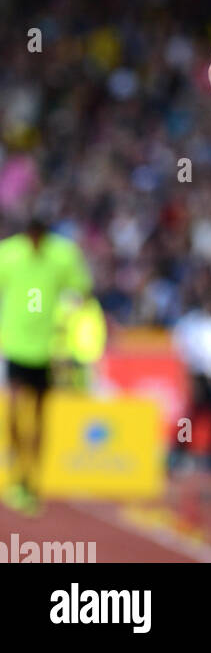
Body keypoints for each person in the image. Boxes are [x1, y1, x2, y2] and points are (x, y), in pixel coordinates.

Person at [0, 215, 92, 513]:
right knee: (14, 411)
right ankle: (17, 471)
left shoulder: (63, 255)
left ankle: (32, 479)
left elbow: (81, 288)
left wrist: (68, 318)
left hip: (47, 348)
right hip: (16, 344)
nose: (35, 242)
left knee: (40, 416)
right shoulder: (9, 253)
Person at [172, 283, 211, 473]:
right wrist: (192, 377)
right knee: (190, 419)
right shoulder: (194, 324)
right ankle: (178, 454)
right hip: (198, 376)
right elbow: (186, 349)